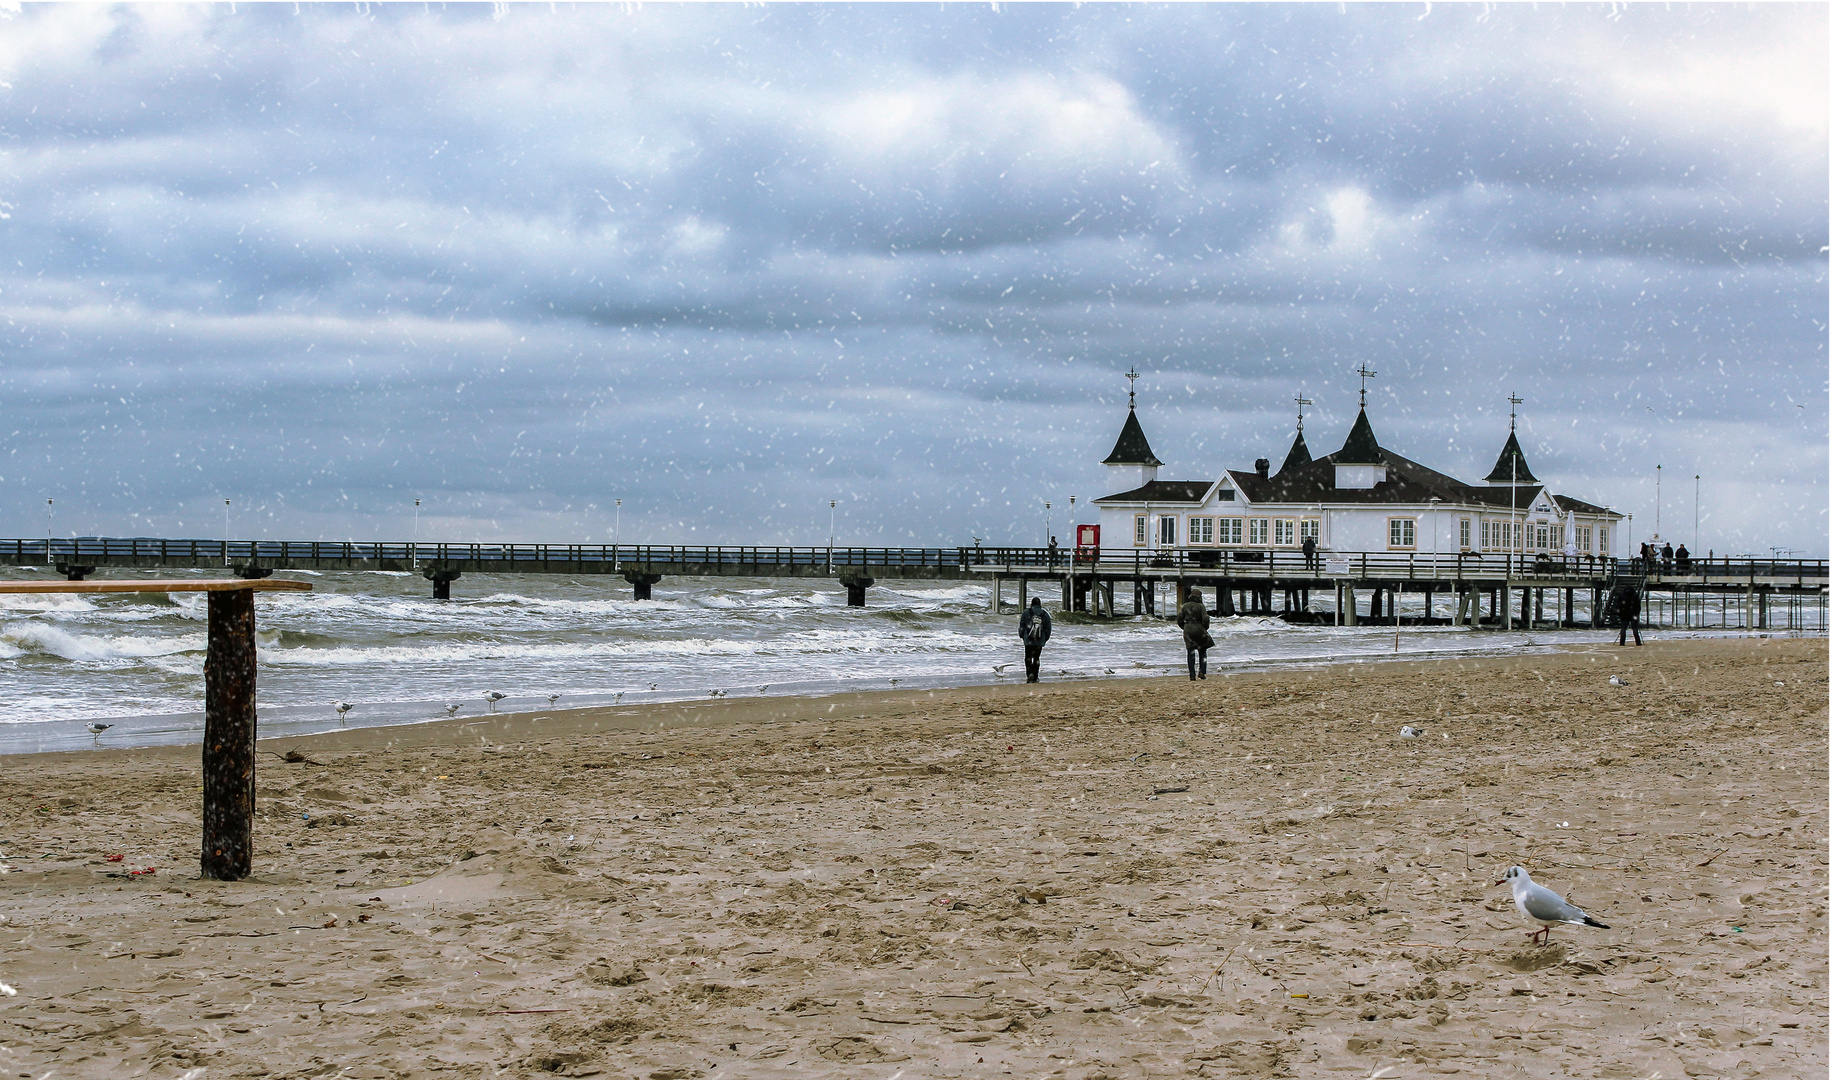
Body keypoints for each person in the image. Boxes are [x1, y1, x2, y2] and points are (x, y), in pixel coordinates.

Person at [1176, 587, 1213, 680]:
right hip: (1199, 628)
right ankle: (1202, 671)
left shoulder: (1185, 606)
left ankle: (1192, 675)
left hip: (1188, 629)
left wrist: (1184, 627)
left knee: (1190, 652)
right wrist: (1205, 627)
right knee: (1202, 650)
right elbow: (1205, 618)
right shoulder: (1201, 606)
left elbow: (1179, 619)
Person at [1018, 597, 1051, 683]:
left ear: (1031, 604)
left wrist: (1022, 636)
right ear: (1040, 604)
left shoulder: (1026, 613)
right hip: (1039, 641)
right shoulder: (1045, 614)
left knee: (1028, 658)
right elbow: (1048, 629)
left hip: (1028, 641)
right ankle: (1035, 676)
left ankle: (1029, 674)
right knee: (1036, 658)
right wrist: (1044, 639)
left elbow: (1022, 626)